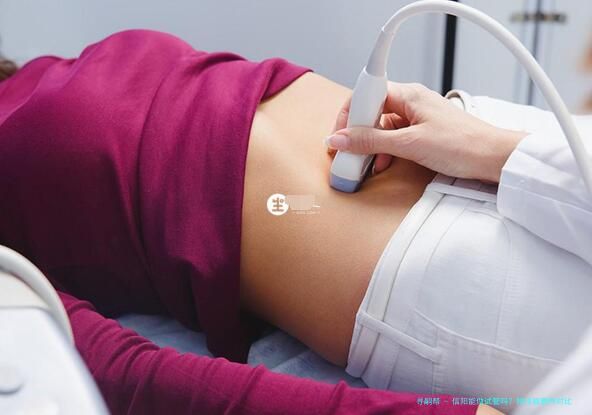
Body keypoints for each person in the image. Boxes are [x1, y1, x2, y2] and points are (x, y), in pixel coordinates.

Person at [0, 30, 499, 415]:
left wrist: (501, 150)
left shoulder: (30, 74)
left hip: (477, 133)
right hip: (441, 267)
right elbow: (122, 375)